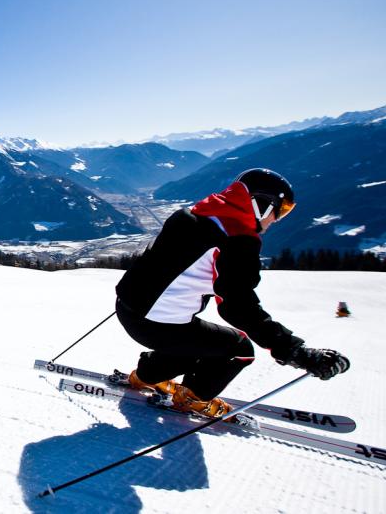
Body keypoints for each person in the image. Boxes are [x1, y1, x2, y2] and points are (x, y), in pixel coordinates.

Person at [114, 168, 350, 417]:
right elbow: (238, 307)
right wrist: (295, 351)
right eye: (280, 210)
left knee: (198, 341)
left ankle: (146, 376)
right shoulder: (237, 241)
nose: (277, 219)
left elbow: (153, 259)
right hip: (156, 324)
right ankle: (193, 398)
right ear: (261, 206)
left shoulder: (192, 214)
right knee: (238, 348)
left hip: (128, 308)